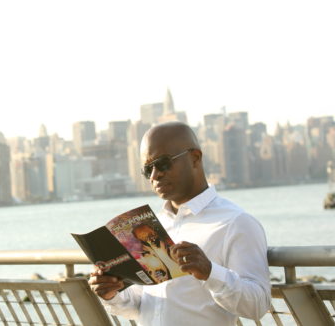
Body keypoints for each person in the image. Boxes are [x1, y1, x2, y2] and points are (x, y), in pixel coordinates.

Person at [88, 121, 271, 325]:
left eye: (163, 163)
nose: (155, 175)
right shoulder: (152, 225)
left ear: (195, 158)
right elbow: (143, 304)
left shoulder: (236, 222)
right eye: (147, 169)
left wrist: (210, 272)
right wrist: (112, 293)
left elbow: (258, 305)